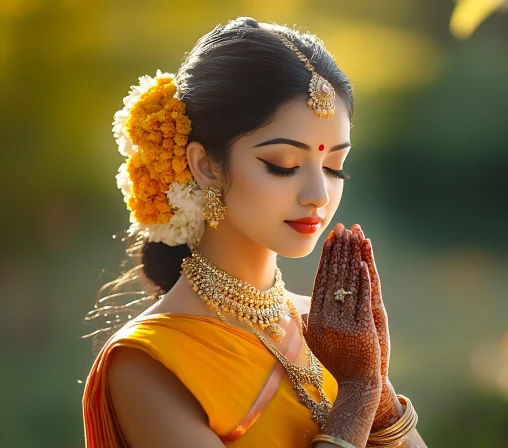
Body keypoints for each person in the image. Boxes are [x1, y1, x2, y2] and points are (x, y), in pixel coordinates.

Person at [81, 17, 427, 448]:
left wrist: (378, 390)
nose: (318, 194)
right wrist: (355, 393)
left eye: (335, 166)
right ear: (205, 165)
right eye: (283, 164)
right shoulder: (148, 362)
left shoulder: (330, 332)